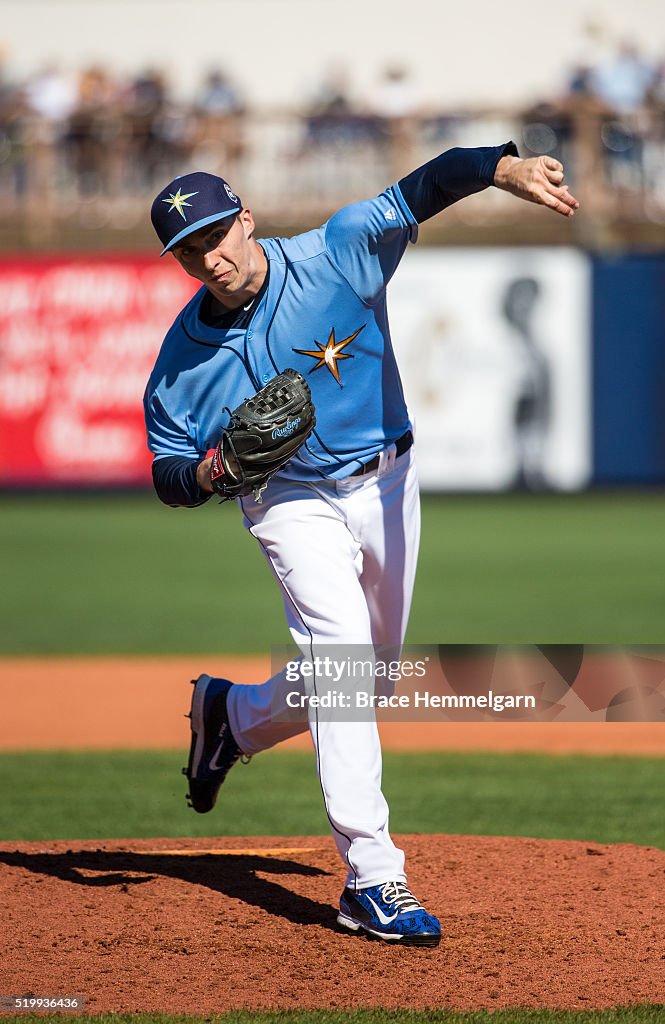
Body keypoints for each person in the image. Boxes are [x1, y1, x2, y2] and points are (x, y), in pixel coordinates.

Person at [144, 144, 579, 947]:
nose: (210, 258)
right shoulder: (181, 365)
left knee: (365, 677)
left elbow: (425, 185)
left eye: (215, 234)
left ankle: (232, 716)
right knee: (343, 665)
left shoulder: (337, 248)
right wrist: (207, 473)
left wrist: (501, 168)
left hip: (385, 478)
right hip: (285, 500)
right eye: (189, 250)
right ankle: (373, 878)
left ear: (246, 218)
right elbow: (167, 469)